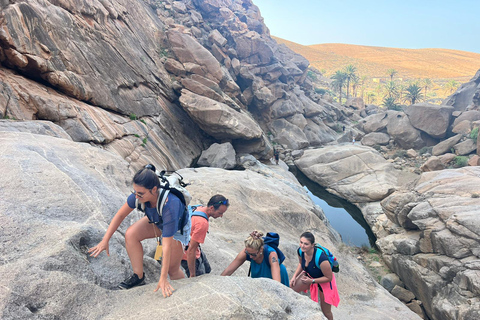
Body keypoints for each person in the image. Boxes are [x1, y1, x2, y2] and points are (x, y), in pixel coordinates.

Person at [88, 165, 189, 297]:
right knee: (131, 234)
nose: (136, 196)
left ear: (154, 190)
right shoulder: (138, 196)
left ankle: (187, 291)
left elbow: (167, 245)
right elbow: (120, 215)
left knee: (172, 269)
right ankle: (138, 276)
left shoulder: (170, 206)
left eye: (140, 193)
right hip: (157, 220)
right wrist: (105, 240)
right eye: (135, 192)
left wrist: (163, 277)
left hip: (176, 227)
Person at [290, 232, 339, 320]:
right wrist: (294, 277)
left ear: (312, 245)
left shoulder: (321, 259)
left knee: (326, 311)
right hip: (309, 276)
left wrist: (312, 281)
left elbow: (329, 278)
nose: (302, 245)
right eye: (301, 242)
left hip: (325, 282)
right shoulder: (300, 251)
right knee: (291, 289)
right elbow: (301, 263)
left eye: (306, 244)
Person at [181, 195, 229, 277]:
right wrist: (192, 275)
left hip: (190, 245)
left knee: (207, 269)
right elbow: (191, 251)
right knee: (199, 278)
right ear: (211, 208)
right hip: (187, 254)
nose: (221, 216)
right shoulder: (202, 223)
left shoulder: (198, 207)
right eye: (220, 213)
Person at [221, 231, 289, 286]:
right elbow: (228, 271)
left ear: (261, 250)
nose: (250, 257)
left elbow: (277, 284)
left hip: (277, 273)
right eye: (248, 253)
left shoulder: (272, 255)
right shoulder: (246, 252)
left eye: (253, 254)